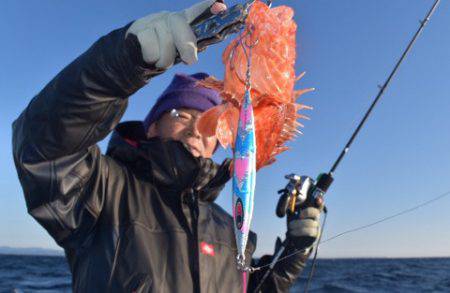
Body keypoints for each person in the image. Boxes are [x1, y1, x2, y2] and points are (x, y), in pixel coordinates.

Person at [12, 1, 323, 292]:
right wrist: (122, 62)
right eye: (180, 114)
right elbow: (44, 146)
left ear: (218, 142)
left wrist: (295, 250)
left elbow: (251, 287)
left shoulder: (229, 226)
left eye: (210, 123)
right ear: (152, 126)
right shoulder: (103, 191)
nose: (196, 128)